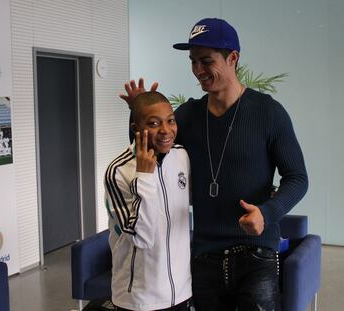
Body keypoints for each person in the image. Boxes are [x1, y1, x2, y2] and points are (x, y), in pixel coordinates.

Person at [120, 18, 308, 311]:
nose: (198, 70)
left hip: (256, 254)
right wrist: (138, 114)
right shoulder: (187, 116)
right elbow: (148, 149)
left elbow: (297, 178)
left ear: (233, 58)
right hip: (203, 256)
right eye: (193, 61)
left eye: (206, 61)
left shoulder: (268, 113)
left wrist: (267, 213)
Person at [105, 91, 192, 311]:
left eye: (170, 121)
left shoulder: (181, 156)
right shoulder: (118, 171)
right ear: (136, 129)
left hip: (181, 292)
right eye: (154, 123)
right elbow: (142, 237)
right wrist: (144, 176)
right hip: (139, 299)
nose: (166, 130)